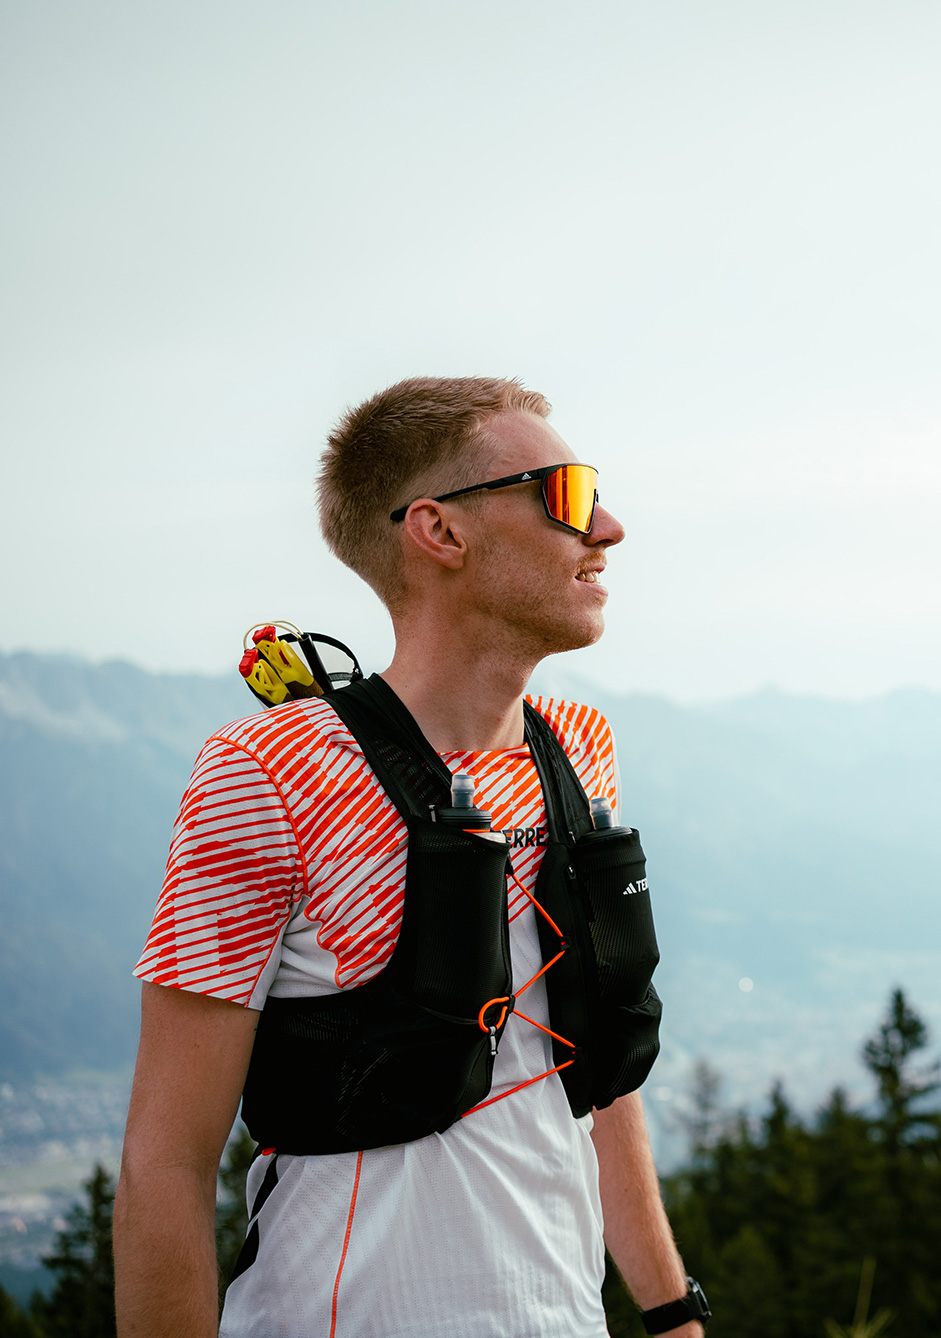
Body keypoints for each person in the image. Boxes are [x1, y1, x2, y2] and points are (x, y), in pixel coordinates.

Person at [114, 377, 706, 1338]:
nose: (608, 527)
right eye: (565, 492)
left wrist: (671, 1313)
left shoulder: (579, 748)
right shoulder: (269, 770)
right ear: (439, 531)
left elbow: (587, 1072)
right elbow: (165, 1165)